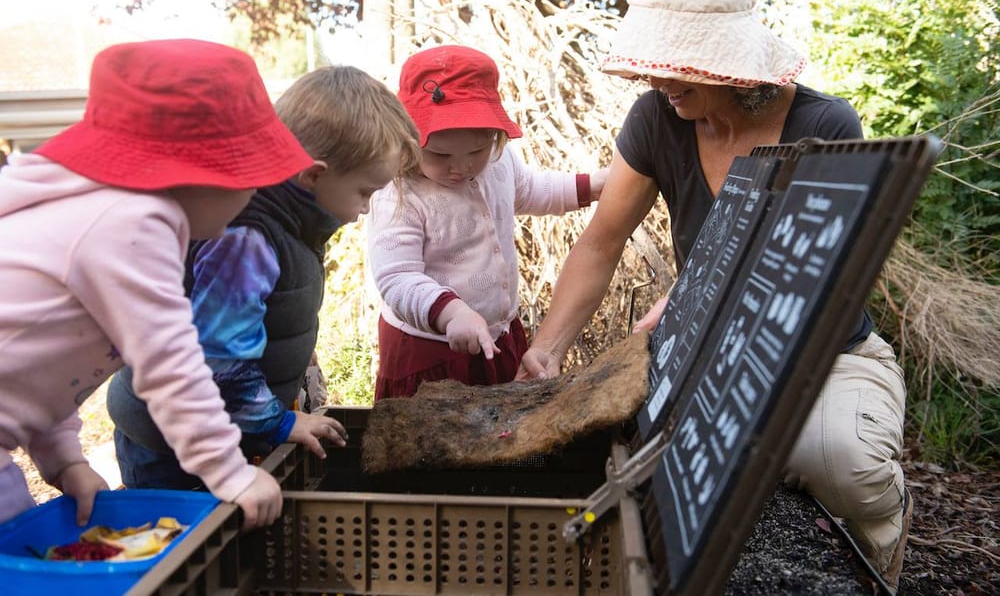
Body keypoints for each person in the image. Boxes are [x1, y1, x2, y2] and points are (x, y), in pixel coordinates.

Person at [516, 0, 911, 591]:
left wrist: (702, 295)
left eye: (680, 64)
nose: (658, 80)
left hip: (822, 353)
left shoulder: (825, 123)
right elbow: (601, 241)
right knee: (664, 484)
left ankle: (882, 544)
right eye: (655, 62)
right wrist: (547, 349)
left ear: (731, 62)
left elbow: (823, 278)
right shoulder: (657, 120)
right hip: (707, 358)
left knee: (840, 461)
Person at [0, 38, 312, 529]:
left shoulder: (98, 215)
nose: (254, 190)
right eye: (250, 173)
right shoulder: (133, 223)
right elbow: (169, 363)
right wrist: (229, 472)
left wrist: (64, 460)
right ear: (204, 174)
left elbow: (40, 361)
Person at [107, 65, 420, 490]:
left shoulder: (293, 222)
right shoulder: (248, 238)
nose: (366, 209)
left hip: (211, 429)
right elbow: (221, 359)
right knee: (183, 542)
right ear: (313, 175)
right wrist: (277, 422)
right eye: (365, 192)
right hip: (174, 443)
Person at [367, 45, 608, 400]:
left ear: (494, 138)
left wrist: (595, 186)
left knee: (501, 434)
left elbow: (532, 191)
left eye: (476, 153)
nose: (460, 167)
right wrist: (450, 313)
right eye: (440, 155)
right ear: (407, 142)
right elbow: (397, 277)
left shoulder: (499, 161)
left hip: (497, 334)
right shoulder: (399, 192)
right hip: (432, 348)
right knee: (434, 443)